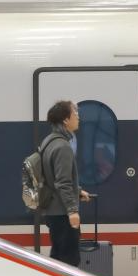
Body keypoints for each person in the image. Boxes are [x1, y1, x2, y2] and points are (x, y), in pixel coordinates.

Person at [39, 100, 91, 266]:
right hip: (63, 213)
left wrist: (78, 191)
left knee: (58, 259)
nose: (78, 117)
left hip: (53, 211)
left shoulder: (49, 141)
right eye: (75, 113)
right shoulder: (63, 147)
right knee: (69, 262)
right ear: (66, 120)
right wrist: (72, 210)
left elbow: (53, 177)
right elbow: (62, 182)